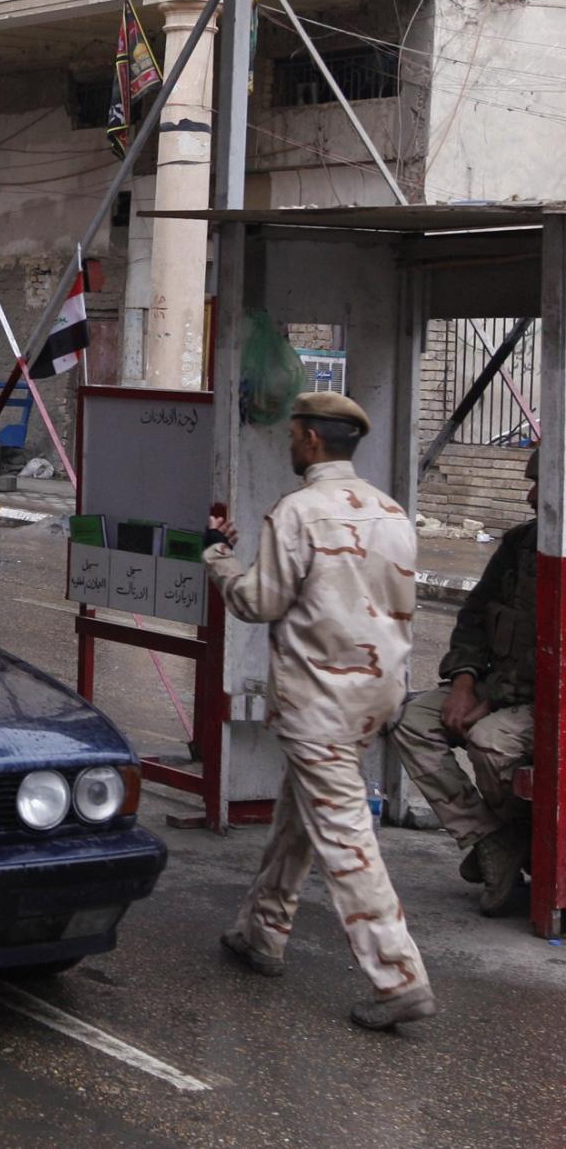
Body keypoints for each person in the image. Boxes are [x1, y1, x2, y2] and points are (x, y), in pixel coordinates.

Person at [206, 392, 433, 1031]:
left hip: (319, 702)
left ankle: (399, 977)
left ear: (308, 440)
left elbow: (258, 602)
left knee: (344, 835)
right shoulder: (391, 513)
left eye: (293, 433)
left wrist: (218, 557)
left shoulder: (298, 513)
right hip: (372, 697)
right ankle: (261, 930)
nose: (289, 442)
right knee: (299, 816)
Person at [391, 446, 540, 916]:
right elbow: (473, 617)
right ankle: (492, 838)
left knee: (490, 742)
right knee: (412, 718)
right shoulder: (520, 544)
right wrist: (464, 683)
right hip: (496, 690)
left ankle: (523, 842)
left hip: (543, 703)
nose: (533, 496)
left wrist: (490, 700)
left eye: (545, 486)